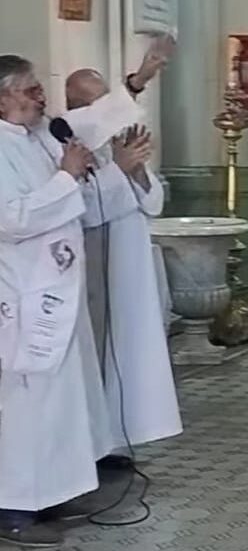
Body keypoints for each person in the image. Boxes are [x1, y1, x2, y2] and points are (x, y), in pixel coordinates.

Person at [0, 55, 151, 546]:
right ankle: (15, 507)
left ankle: (53, 489)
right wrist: (67, 177)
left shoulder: (38, 140)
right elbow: (14, 218)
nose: (40, 96)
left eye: (38, 86)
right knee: (28, 404)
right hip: (22, 300)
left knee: (64, 401)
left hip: (58, 293)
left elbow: (79, 208)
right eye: (28, 90)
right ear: (1, 100)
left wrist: (112, 171)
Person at [64, 36, 182, 471]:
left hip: (129, 259)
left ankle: (115, 438)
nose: (105, 110)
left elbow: (152, 202)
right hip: (94, 262)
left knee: (127, 352)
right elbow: (87, 207)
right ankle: (91, 446)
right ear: (73, 107)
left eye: (106, 99)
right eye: (93, 101)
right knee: (96, 351)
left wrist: (133, 173)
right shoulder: (67, 140)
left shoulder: (119, 139)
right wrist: (121, 170)